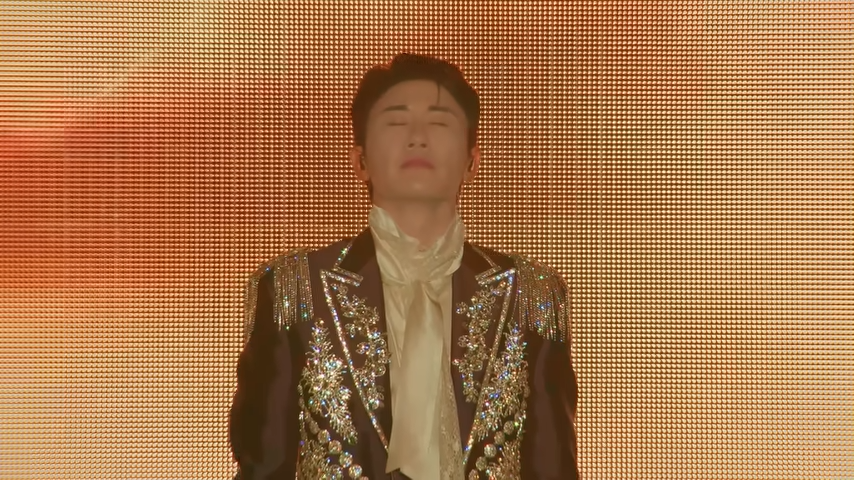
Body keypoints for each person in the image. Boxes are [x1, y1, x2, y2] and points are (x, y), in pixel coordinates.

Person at [228, 53, 580, 480]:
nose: (418, 138)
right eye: (396, 123)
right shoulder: (295, 288)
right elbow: (263, 464)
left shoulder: (530, 294)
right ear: (360, 161)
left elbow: (553, 465)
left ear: (472, 160)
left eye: (439, 123)